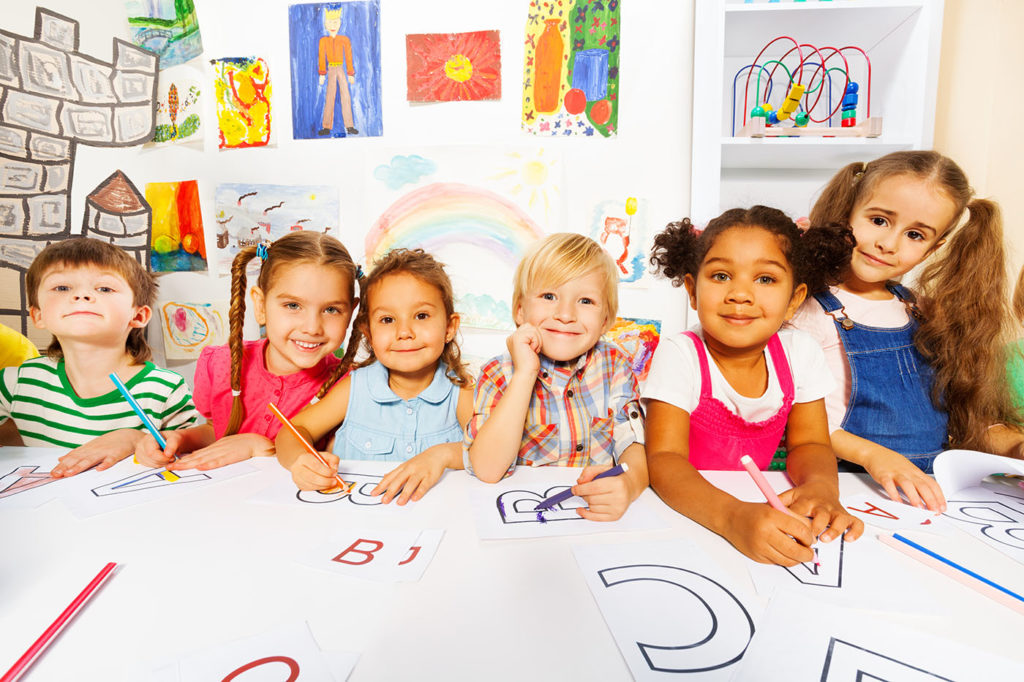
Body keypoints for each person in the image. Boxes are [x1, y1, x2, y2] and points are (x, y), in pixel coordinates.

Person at [789, 151, 1024, 512]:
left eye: (915, 234)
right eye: (880, 220)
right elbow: (800, 423)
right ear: (850, 210)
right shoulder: (811, 309)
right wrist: (875, 457)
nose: (889, 243)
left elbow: (956, 423)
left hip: (926, 492)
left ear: (936, 246)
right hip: (850, 483)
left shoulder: (923, 311)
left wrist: (1012, 447)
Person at [643, 206, 864, 566]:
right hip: (691, 516)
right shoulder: (680, 353)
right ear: (692, 290)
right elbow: (664, 460)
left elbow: (810, 442)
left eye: (765, 279)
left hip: (763, 511)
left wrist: (821, 487)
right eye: (720, 276)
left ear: (794, 299)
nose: (740, 294)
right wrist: (733, 518)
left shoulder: (800, 352)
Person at [465, 233, 649, 522]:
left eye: (585, 300)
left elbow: (633, 445)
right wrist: (525, 373)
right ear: (520, 310)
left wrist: (629, 483)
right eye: (549, 296)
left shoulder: (614, 365)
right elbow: (488, 470)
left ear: (605, 321)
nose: (565, 314)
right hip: (523, 518)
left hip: (591, 519)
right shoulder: (498, 373)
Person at [136, 231, 358, 471]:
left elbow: (329, 461)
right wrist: (180, 439)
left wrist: (258, 446)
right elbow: (216, 430)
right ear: (260, 305)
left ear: (351, 312)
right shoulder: (220, 363)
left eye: (332, 310)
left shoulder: (349, 386)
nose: (312, 327)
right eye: (293, 306)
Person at [277, 248, 473, 504]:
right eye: (388, 319)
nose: (404, 332)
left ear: (449, 327)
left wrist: (442, 455)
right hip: (357, 521)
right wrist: (301, 463)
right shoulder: (355, 387)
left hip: (437, 521)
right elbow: (292, 432)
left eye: (421, 316)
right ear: (368, 333)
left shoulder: (461, 390)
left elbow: (491, 451)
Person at [0, 238, 198, 472]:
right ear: (38, 315)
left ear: (139, 316)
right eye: (62, 288)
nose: (81, 295)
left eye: (104, 288)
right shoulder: (18, 382)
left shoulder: (165, 389)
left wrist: (135, 440)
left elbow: (189, 462)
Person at [318, 7, 358, 136]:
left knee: (345, 95)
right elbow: (321, 57)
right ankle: (326, 126)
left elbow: (349, 56)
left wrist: (350, 73)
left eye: (335, 22)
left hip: (341, 68)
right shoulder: (323, 41)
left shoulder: (344, 40)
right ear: (325, 24)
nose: (332, 25)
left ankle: (349, 126)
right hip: (330, 69)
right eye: (330, 23)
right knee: (329, 96)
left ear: (340, 23)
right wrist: (322, 73)